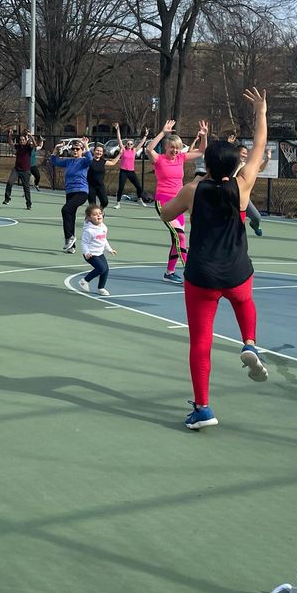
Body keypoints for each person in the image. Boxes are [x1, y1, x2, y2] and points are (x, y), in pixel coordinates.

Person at [161, 87, 270, 431]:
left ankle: (204, 408)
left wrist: (166, 200)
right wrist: (261, 113)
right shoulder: (243, 186)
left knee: (201, 343)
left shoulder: (193, 190)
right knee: (245, 300)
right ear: (236, 164)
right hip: (237, 270)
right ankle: (250, 342)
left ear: (205, 165)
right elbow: (259, 147)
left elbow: (166, 215)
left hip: (202, 275)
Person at [146, 119, 209, 285]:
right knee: (180, 236)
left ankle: (169, 272)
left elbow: (202, 151)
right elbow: (148, 148)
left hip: (180, 202)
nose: (174, 150)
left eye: (177, 147)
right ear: (166, 147)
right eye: (171, 147)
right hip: (164, 202)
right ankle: (190, 272)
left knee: (177, 238)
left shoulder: (181, 158)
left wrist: (204, 135)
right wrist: (163, 133)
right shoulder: (158, 159)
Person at [50, 137, 93, 253]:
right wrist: (56, 149)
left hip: (81, 192)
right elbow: (54, 161)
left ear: (81, 150)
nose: (75, 151)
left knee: (65, 210)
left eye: (77, 149)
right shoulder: (68, 162)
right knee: (70, 216)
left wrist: (85, 145)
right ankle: (71, 245)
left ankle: (69, 237)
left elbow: (90, 159)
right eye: (73, 149)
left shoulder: (83, 161)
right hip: (70, 192)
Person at [77, 205, 117, 295]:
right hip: (90, 254)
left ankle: (101, 288)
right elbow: (84, 243)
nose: (98, 215)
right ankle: (84, 281)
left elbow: (104, 239)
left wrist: (109, 249)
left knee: (106, 269)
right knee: (101, 268)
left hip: (99, 253)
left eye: (100, 213)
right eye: (95, 214)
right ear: (89, 218)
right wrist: (87, 252)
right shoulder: (89, 231)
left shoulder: (104, 227)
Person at [113, 125, 147, 208]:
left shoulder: (134, 150)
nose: (129, 145)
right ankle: (118, 203)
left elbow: (142, 143)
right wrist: (118, 129)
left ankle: (140, 199)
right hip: (123, 171)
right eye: (128, 143)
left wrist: (145, 135)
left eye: (131, 144)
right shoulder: (123, 150)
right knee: (121, 187)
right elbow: (119, 139)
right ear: (126, 144)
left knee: (139, 186)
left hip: (131, 172)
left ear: (133, 145)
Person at [3, 132, 38, 209]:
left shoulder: (28, 147)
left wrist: (31, 136)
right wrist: (9, 136)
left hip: (25, 170)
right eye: (20, 140)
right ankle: (7, 199)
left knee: (26, 188)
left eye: (23, 140)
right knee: (9, 182)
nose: (21, 141)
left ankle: (28, 204)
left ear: (26, 140)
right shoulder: (18, 146)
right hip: (16, 169)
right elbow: (11, 144)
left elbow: (35, 145)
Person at [85, 141, 120, 210]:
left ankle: (99, 211)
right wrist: (86, 145)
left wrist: (120, 154)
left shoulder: (103, 161)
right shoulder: (89, 161)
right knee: (92, 205)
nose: (99, 152)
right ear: (94, 151)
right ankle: (92, 217)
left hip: (100, 186)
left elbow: (113, 163)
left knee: (105, 202)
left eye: (101, 151)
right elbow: (87, 153)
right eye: (97, 150)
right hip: (90, 186)